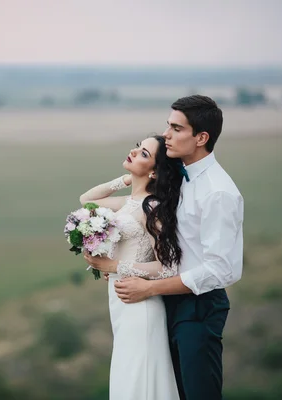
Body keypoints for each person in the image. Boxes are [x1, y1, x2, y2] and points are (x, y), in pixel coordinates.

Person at [86, 95, 244, 400]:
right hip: (167, 301)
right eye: (167, 126)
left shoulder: (218, 192)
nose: (167, 135)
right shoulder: (180, 181)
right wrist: (134, 263)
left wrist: (149, 288)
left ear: (201, 138)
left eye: (176, 128)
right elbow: (161, 239)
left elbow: (220, 270)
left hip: (199, 306)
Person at [79, 135, 183, 400]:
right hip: (121, 304)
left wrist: (114, 265)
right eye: (138, 147)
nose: (134, 152)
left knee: (139, 380)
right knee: (127, 380)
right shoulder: (128, 203)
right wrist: (127, 179)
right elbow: (86, 199)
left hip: (141, 307)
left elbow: (168, 268)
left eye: (144, 154)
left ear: (155, 171)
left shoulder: (152, 207)